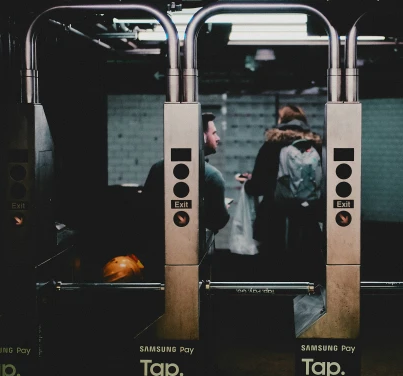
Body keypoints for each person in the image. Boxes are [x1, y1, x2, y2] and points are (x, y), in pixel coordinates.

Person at [128, 112, 230, 281]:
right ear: (202, 137)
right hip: (194, 258)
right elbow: (218, 220)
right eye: (214, 133)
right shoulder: (212, 176)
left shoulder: (157, 168)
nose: (218, 138)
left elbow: (145, 211)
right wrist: (222, 208)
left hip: (155, 256)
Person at [237, 104, 324, 281]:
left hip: (274, 220)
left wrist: (248, 182)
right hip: (307, 220)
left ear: (282, 121)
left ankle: (275, 307)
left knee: (274, 274)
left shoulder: (272, 145)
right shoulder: (316, 146)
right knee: (305, 274)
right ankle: (306, 307)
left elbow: (258, 186)